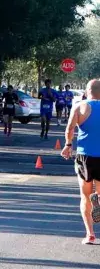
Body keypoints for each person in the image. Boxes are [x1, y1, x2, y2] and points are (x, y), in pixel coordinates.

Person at [61, 79, 100, 245]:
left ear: (87, 91)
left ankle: (90, 234)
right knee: (99, 192)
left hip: (85, 156)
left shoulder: (80, 106)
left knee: (85, 195)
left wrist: (68, 145)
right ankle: (98, 198)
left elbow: (70, 128)